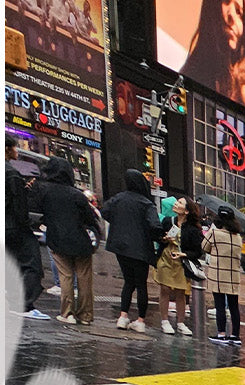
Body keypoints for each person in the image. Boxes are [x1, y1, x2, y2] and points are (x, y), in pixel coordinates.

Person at [34, 157, 100, 325]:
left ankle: (67, 313)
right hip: (80, 240)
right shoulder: (77, 194)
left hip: (57, 239)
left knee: (66, 276)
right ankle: (85, 315)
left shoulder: (44, 191)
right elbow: (90, 219)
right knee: (84, 278)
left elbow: (38, 212)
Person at [103, 169, 169, 332]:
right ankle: (140, 319)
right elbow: (154, 226)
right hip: (140, 249)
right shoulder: (146, 203)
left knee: (128, 282)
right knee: (141, 284)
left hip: (121, 247)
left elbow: (105, 212)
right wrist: (159, 238)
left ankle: (123, 316)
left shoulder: (118, 199)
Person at [6, 138, 46, 316]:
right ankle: (24, 304)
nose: (17, 151)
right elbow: (18, 207)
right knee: (32, 264)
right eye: (15, 147)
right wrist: (28, 225)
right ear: (7, 149)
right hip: (14, 226)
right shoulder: (11, 174)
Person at [153, 197, 194, 335]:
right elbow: (158, 237)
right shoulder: (168, 221)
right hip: (166, 258)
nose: (176, 204)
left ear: (187, 211)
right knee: (164, 289)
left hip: (181, 262)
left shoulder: (192, 228)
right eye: (177, 202)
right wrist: (164, 239)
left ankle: (180, 322)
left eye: (180, 203)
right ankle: (165, 321)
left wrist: (184, 254)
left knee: (180, 292)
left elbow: (197, 250)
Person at [203, 207, 242, 344]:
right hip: (233, 276)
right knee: (233, 306)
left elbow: (204, 247)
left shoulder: (214, 233)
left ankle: (221, 334)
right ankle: (235, 335)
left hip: (218, 274)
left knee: (220, 305)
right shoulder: (238, 237)